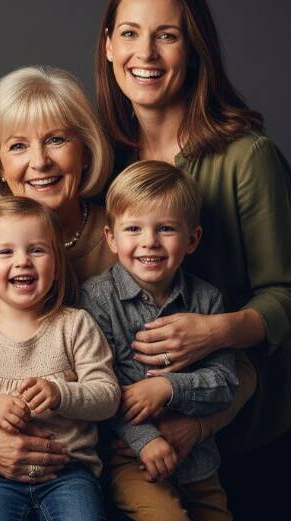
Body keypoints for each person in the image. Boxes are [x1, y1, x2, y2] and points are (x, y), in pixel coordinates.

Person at [0, 65, 255, 496]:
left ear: (86, 151)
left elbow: (239, 366)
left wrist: (198, 426)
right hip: (3, 482)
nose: (39, 161)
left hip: (140, 471)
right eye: (18, 146)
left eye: (57, 139)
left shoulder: (136, 236)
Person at [95, 0, 291, 520]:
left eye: (167, 35)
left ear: (194, 50)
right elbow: (25, 190)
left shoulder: (246, 156)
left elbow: (287, 296)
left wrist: (213, 331)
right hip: (135, 443)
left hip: (246, 430)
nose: (146, 52)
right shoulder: (102, 154)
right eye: (130, 33)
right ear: (109, 47)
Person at [0, 196, 119, 521]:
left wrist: (61, 394)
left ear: (56, 266)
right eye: (5, 252)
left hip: (69, 472)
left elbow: (108, 397)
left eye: (37, 250)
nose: (23, 261)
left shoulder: (75, 324)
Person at [82, 161, 239, 521]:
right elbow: (101, 387)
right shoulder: (96, 300)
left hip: (198, 460)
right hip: (130, 459)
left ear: (192, 239)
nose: (149, 241)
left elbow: (226, 382)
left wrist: (169, 388)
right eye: (133, 228)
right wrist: (146, 441)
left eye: (165, 228)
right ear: (111, 238)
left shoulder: (207, 301)